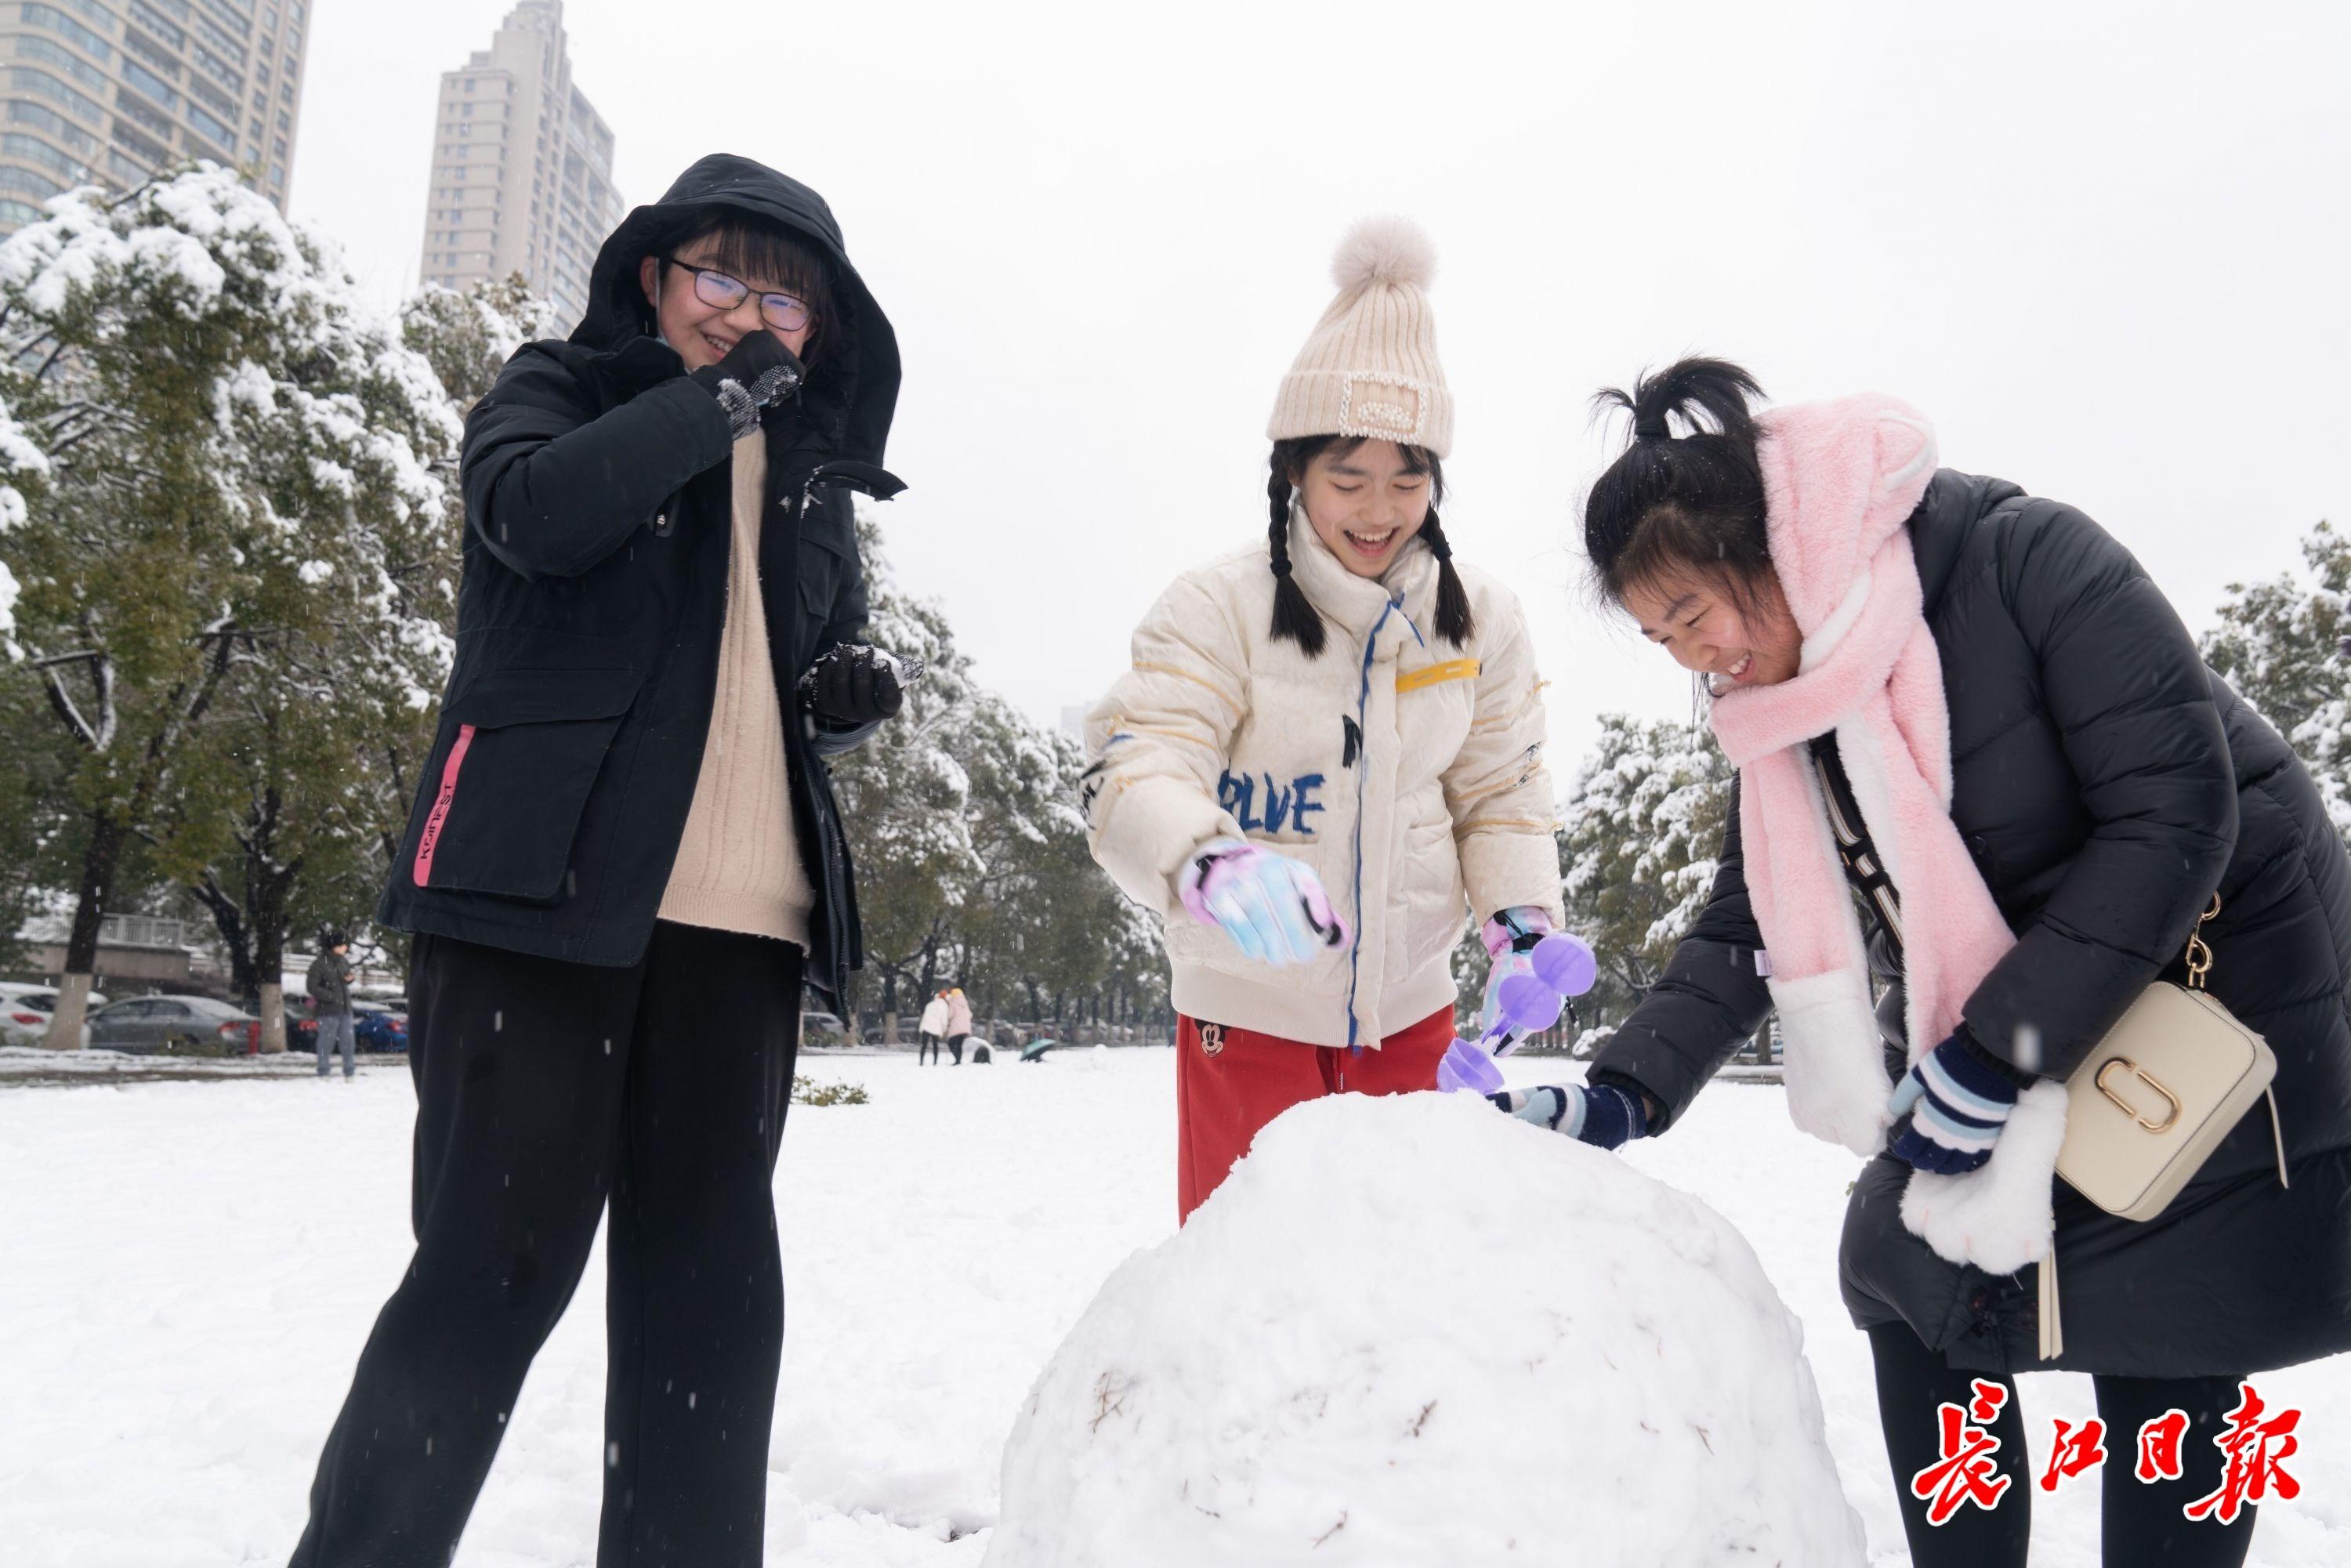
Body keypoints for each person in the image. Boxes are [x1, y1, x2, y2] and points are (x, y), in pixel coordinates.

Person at [1500, 358, 2351, 1567]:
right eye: (1660, 637)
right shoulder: (1790, 707)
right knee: (1908, 1273)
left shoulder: (2027, 560)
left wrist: (2002, 1050)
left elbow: (2174, 807)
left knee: (2168, 1325)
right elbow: (1752, 922)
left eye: (1693, 614)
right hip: (2043, 1007)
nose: (1696, 660)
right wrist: (1622, 1088)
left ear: (1771, 544)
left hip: (2220, 1002)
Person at [287, 154, 907, 1568]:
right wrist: (714, 401)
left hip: (741, 932)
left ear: (821, 325)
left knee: (710, 1311)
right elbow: (540, 520)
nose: (748, 312)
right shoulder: (558, 388)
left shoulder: (813, 486)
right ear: (653, 277)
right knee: (486, 1283)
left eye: (784, 296)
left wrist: (839, 701)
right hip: (538, 912)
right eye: (720, 276)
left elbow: (768, 677)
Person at [1082, 218, 1563, 1222]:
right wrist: (1203, 858)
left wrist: (1520, 923)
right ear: (1293, 472)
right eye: (1347, 477)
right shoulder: (1216, 606)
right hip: (1245, 1021)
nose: (1378, 509)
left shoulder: (1480, 619)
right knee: (1248, 1291)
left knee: (1405, 1286)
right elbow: (1142, 763)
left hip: (1415, 1024)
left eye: (1408, 477)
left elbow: (1499, 794)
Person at [306, 930, 357, 1080]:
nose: (345, 947)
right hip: (328, 1011)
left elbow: (345, 979)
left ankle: (349, 1072)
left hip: (345, 1009)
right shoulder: (319, 964)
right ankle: (323, 1071)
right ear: (334, 945)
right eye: (342, 944)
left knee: (348, 1043)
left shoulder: (343, 961)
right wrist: (331, 997)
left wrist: (349, 980)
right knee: (326, 1042)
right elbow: (312, 987)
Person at [917, 987, 949, 1065]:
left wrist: (921, 1027)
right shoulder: (944, 1006)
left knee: (924, 1045)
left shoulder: (930, 1004)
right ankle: (935, 1062)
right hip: (936, 1028)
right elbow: (944, 1019)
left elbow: (925, 1016)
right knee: (935, 1045)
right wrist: (945, 1028)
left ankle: (921, 1061)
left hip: (926, 1026)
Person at [945, 986, 973, 1066]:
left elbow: (950, 1015)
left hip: (956, 1027)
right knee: (959, 1045)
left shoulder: (953, 1002)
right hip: (966, 1028)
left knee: (951, 1043)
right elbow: (970, 1015)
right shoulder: (965, 1003)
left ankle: (957, 1060)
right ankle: (958, 1060)